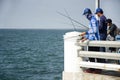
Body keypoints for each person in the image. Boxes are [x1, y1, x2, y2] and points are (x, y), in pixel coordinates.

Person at [80, 8, 101, 73]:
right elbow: (91, 32)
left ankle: (98, 69)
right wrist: (86, 37)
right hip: (92, 40)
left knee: (96, 55)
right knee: (91, 55)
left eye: (85, 15)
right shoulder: (92, 20)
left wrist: (86, 33)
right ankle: (92, 68)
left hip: (95, 41)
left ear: (88, 14)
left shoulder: (93, 20)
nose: (85, 17)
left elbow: (94, 31)